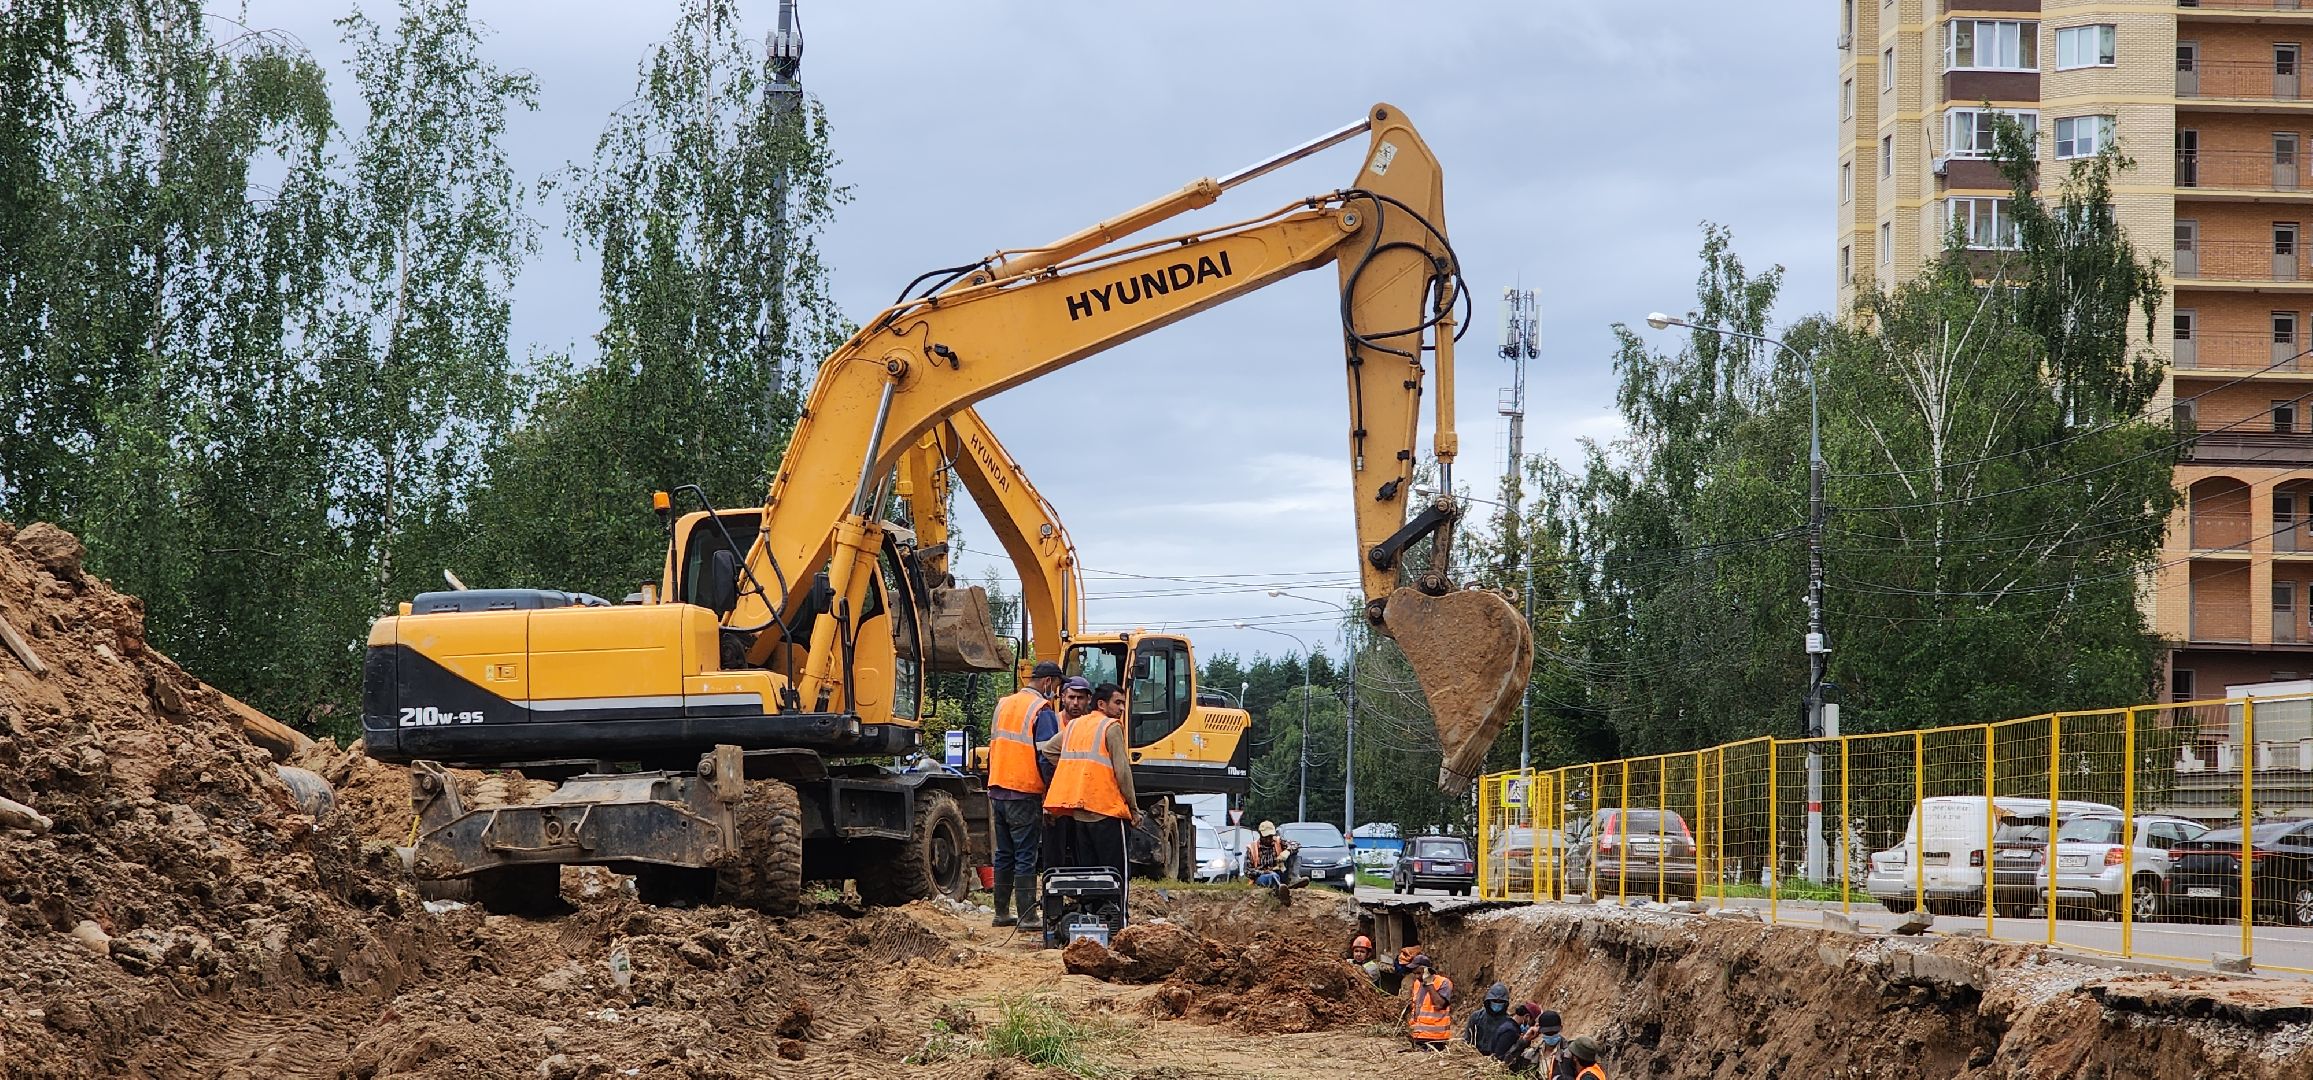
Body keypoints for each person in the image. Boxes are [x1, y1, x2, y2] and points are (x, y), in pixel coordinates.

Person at [1039, 681, 1141, 925]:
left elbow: (1049, 751)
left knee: (1090, 875)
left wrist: (1077, 773)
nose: (1122, 709)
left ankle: (1091, 921)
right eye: (1118, 703)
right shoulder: (1111, 727)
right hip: (1107, 811)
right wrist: (1133, 807)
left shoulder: (1076, 725)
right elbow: (1122, 772)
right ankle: (1119, 923)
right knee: (1116, 875)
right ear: (1102, 704)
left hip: (1080, 812)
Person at [987, 660, 1064, 931]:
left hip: (997, 788)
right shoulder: (1042, 709)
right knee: (1025, 855)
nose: (1055, 692)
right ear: (1047, 682)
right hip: (1024, 791)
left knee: (1004, 853)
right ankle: (1027, 916)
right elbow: (1045, 756)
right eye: (1056, 686)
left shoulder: (1003, 704)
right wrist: (1051, 792)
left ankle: (1001, 913)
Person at [1402, 953, 1453, 1051]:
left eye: (1419, 973)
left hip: (1436, 1038)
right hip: (1418, 1036)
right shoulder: (1417, 984)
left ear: (1428, 971)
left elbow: (1439, 1004)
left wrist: (1429, 983)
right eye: (1415, 973)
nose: (1417, 976)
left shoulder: (1444, 983)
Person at [1463, 982, 1521, 1059]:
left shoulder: (1508, 1024)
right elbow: (1467, 1040)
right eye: (1494, 1001)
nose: (1497, 1004)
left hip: (1494, 1059)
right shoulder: (1476, 1017)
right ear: (1488, 1001)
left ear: (1505, 1004)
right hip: (1473, 1057)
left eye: (1500, 1002)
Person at [1518, 1008, 1573, 1077]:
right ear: (1540, 1030)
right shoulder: (1531, 1054)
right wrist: (1524, 1040)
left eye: (1554, 1032)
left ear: (1561, 1028)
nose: (1551, 1035)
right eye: (1547, 1033)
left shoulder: (1569, 1054)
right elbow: (1509, 1064)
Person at [1245, 821, 1299, 888]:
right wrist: (1263, 872)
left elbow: (1296, 844)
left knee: (1295, 856)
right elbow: (1247, 871)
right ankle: (1279, 888)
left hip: (1280, 872)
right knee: (1272, 876)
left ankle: (1293, 880)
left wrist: (1287, 851)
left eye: (1270, 836)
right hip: (1262, 876)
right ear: (1260, 834)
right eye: (1266, 837)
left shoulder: (1278, 841)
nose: (1268, 839)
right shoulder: (1252, 848)